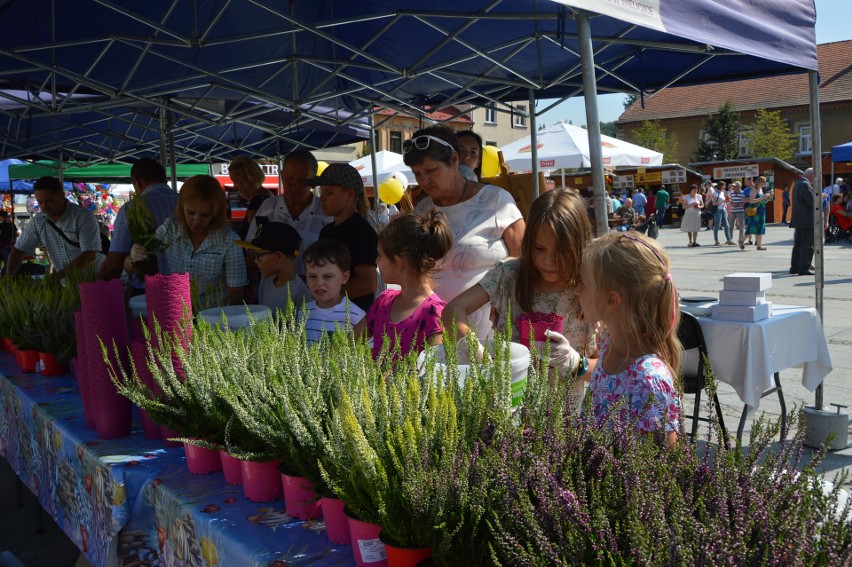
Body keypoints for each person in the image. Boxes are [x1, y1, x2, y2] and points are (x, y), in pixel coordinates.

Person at [443, 190, 597, 404]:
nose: (548, 261)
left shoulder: (589, 287)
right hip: (511, 406)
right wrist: (474, 351)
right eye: (539, 248)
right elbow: (453, 310)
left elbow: (611, 368)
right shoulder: (509, 275)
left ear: (578, 244)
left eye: (560, 251)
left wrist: (575, 363)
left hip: (567, 419)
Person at [407, 125, 525, 338]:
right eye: (417, 173)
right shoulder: (422, 210)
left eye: (431, 171)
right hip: (435, 330)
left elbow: (523, 261)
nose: (424, 181)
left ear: (454, 161)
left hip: (492, 330)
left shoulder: (497, 201)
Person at [574, 231, 681, 447]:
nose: (576, 290)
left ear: (611, 300)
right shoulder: (608, 342)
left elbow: (665, 463)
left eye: (583, 284)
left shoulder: (649, 380)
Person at [132, 175, 247, 308]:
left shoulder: (229, 241)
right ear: (181, 208)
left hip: (214, 316)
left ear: (215, 214)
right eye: (190, 213)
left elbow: (236, 292)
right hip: (178, 312)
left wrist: (215, 319)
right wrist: (135, 255)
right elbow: (135, 263)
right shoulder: (171, 229)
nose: (196, 220)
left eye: (205, 215)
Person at [354, 211, 453, 361]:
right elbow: (346, 342)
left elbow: (433, 372)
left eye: (380, 255)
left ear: (399, 262)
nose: (376, 261)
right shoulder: (384, 301)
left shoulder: (435, 314)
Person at [246, 149, 332, 276]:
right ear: (281, 176)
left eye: (302, 180)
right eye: (289, 178)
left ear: (313, 182)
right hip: (272, 287)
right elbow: (251, 250)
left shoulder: (327, 212)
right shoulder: (268, 208)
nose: (294, 184)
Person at [308, 163, 378, 311]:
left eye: (329, 193)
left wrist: (327, 293)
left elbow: (368, 283)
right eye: (322, 192)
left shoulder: (361, 231)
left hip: (353, 318)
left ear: (350, 194)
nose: (322, 198)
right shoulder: (327, 231)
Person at [98, 158, 178, 287]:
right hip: (187, 289)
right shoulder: (185, 203)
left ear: (137, 181)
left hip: (147, 293)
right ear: (164, 179)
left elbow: (114, 263)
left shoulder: (131, 209)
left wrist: (97, 286)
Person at [5, 176, 103, 278]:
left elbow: (90, 254)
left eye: (49, 201)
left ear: (61, 195)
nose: (44, 207)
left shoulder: (83, 216)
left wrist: (57, 277)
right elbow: (19, 250)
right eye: (40, 202)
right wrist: (8, 276)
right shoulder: (39, 221)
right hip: (66, 283)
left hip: (95, 279)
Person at [235, 219, 308, 314]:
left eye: (259, 255)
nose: (255, 261)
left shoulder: (299, 295)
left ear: (279, 256)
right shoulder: (266, 280)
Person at [301, 238, 366, 345]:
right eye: (312, 276)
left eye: (327, 276)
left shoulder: (356, 316)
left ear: (344, 277)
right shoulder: (303, 312)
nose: (319, 282)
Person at [228, 156, 274, 240]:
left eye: (236, 181)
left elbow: (256, 241)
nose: (234, 187)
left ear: (249, 178)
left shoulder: (257, 203)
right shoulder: (267, 196)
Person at [790, 168, 815, 276]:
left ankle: (795, 267)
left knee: (798, 244)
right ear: (811, 175)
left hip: (799, 219)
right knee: (807, 245)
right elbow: (812, 202)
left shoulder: (798, 183)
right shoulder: (805, 184)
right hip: (807, 220)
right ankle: (804, 268)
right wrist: (820, 198)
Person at [743, 176, 773, 251]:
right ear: (760, 182)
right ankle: (741, 240)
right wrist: (763, 197)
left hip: (761, 212)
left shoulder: (761, 189)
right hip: (755, 212)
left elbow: (763, 202)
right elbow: (751, 201)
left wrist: (769, 197)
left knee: (760, 229)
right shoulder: (754, 189)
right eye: (764, 181)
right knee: (751, 228)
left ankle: (759, 246)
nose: (765, 183)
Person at [727, 181, 747, 248]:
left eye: (734, 186)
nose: (733, 187)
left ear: (738, 187)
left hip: (740, 211)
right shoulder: (731, 193)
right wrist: (731, 204)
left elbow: (743, 202)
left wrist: (738, 204)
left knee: (741, 226)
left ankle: (740, 239)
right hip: (732, 211)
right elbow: (729, 201)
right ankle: (730, 239)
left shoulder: (743, 193)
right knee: (731, 226)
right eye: (733, 186)